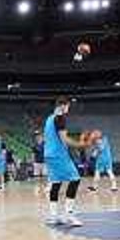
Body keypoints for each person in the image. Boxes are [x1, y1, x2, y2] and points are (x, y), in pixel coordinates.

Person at [43, 96, 87, 226]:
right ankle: (69, 214)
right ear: (63, 105)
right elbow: (64, 139)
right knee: (75, 179)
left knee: (56, 183)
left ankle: (53, 216)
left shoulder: (49, 118)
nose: (68, 109)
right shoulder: (60, 118)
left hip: (48, 155)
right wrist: (80, 144)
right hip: (58, 155)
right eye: (68, 106)